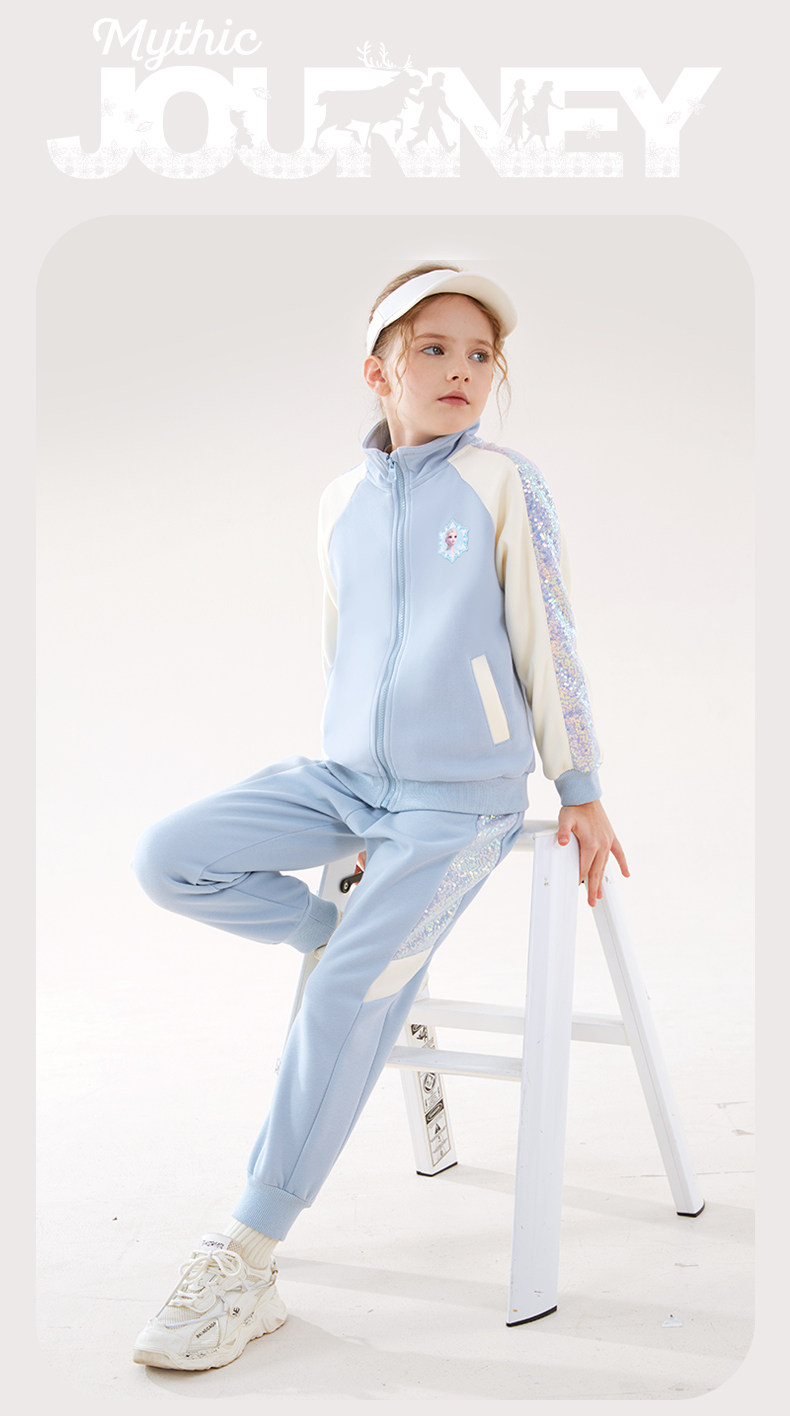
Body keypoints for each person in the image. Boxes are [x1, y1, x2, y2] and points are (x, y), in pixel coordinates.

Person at [130, 262, 629, 1372]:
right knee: (169, 857)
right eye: (432, 349)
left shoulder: (502, 482)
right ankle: (338, 940)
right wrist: (339, 821)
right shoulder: (338, 502)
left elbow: (548, 632)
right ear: (378, 372)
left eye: (481, 355)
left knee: (345, 998)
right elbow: (343, 644)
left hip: (461, 801)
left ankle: (247, 1256)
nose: (462, 370)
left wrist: (580, 786)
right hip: (349, 781)